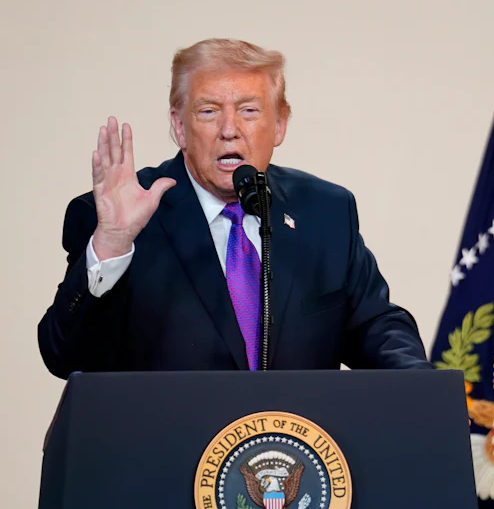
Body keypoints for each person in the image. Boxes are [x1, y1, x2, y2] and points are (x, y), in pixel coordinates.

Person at [38, 38, 431, 379]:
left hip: (296, 440)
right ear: (179, 126)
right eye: (208, 111)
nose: (229, 130)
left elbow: (374, 324)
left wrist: (422, 387)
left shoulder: (325, 210)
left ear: (280, 124)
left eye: (249, 110)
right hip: (169, 442)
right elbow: (64, 357)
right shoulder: (118, 217)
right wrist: (112, 244)